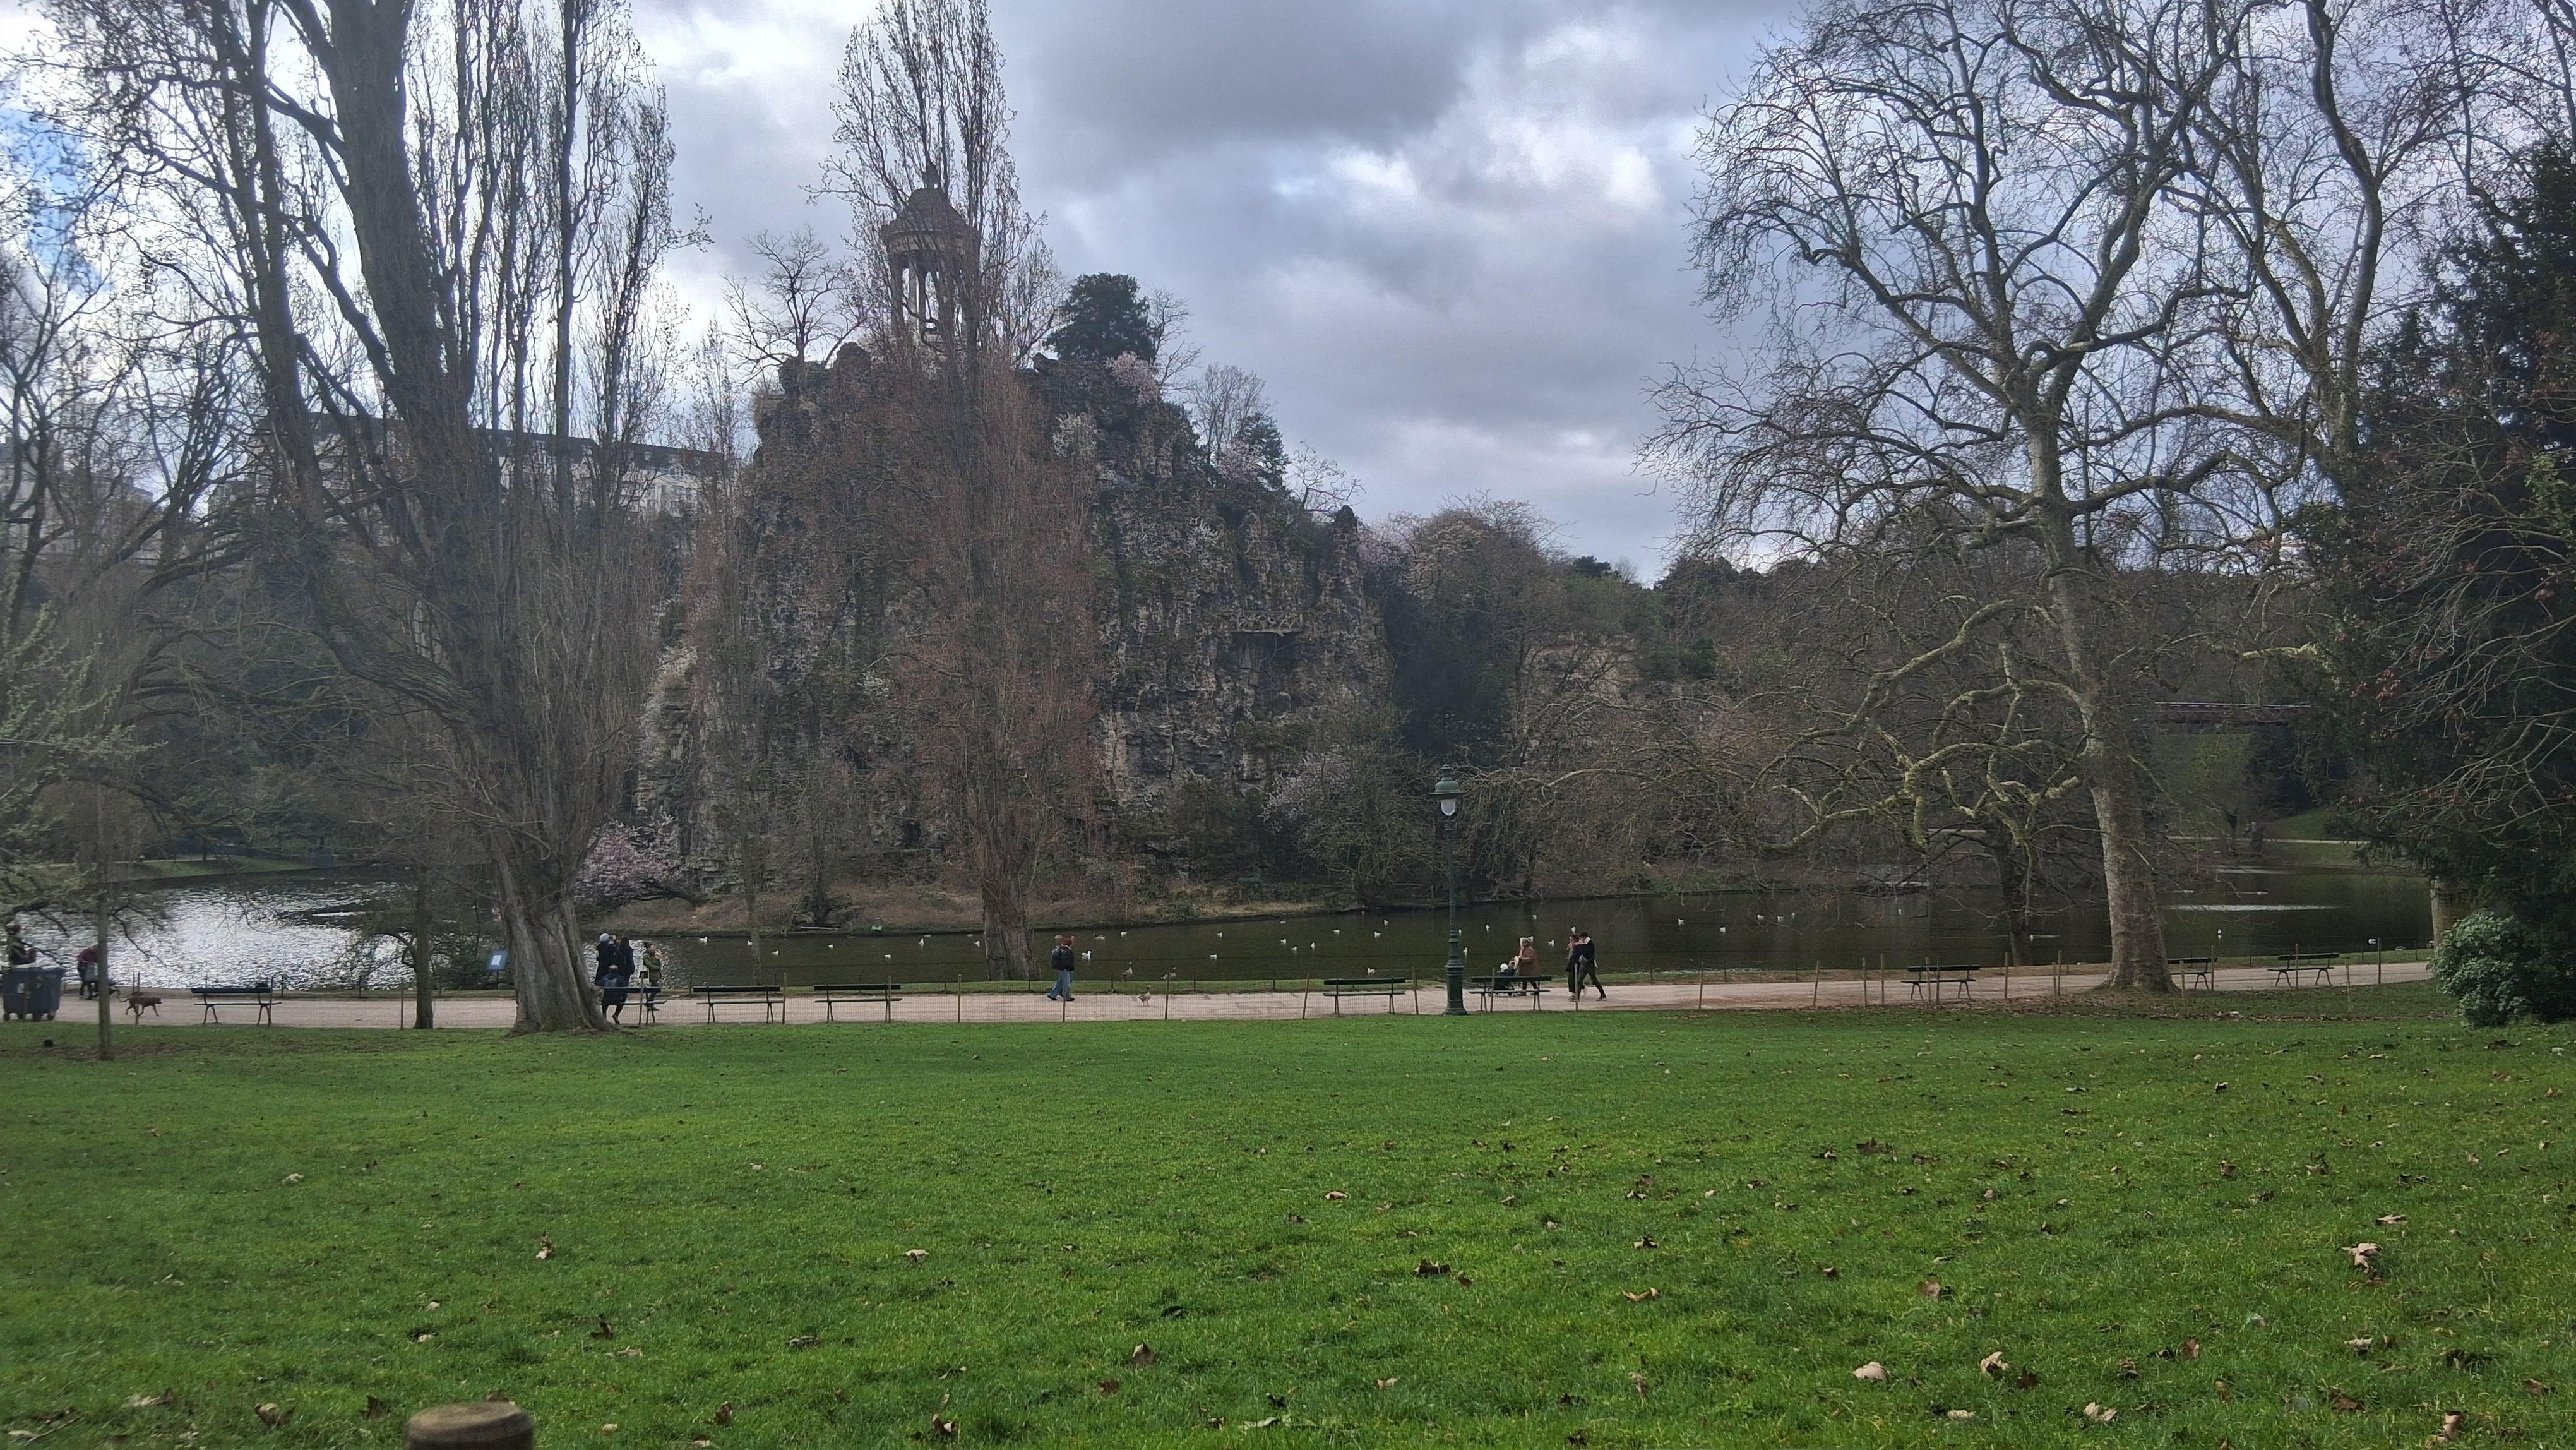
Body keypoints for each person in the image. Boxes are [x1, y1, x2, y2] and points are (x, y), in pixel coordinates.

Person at [595, 933, 635, 1024]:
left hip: (605, 988)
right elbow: (622, 958)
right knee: (622, 994)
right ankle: (616, 1014)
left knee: (605, 995)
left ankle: (604, 1014)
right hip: (619, 997)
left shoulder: (601, 949)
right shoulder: (622, 950)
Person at [1566, 930, 1602, 998]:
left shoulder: (1590, 944)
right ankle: (1577, 997)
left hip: (1589, 966)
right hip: (1583, 966)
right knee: (1579, 981)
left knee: (1594, 981)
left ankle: (1603, 994)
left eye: (1582, 938)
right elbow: (1578, 952)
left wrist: (1579, 946)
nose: (1581, 940)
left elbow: (1588, 953)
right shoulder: (1583, 945)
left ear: (1585, 938)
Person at [1045, 933, 1078, 1001]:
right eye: (1072, 939)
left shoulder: (1066, 949)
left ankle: (1053, 994)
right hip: (1065, 968)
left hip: (1065, 968)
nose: (1073, 941)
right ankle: (1067, 996)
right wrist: (1067, 967)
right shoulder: (1065, 950)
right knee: (1067, 982)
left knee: (1061, 981)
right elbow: (1066, 961)